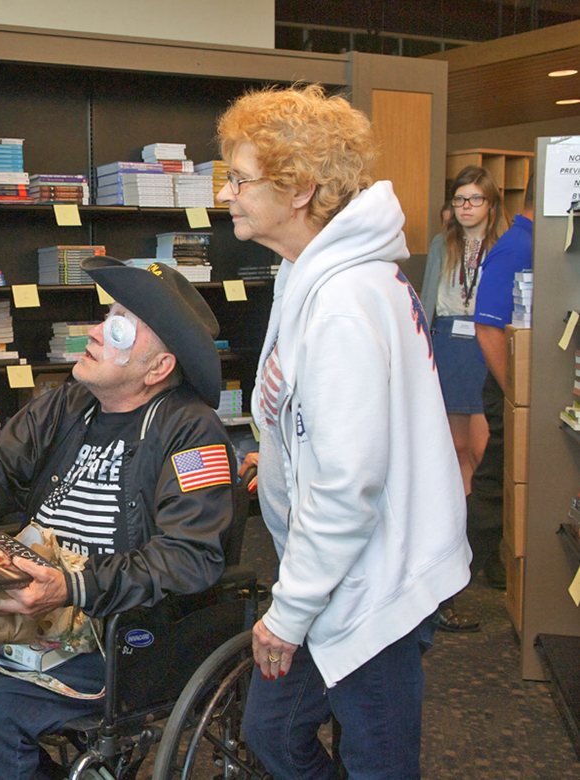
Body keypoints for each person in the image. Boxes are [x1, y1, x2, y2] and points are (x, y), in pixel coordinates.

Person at [0, 257, 236, 780]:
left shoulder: (193, 434)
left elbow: (188, 556)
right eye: (106, 316)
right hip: (44, 619)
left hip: (125, 634)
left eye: (119, 327)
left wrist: (73, 586)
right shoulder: (70, 403)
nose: (96, 331)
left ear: (159, 368)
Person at [215, 84, 470, 779]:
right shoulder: (311, 274)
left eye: (241, 179)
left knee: (375, 760)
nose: (227, 193)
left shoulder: (346, 299)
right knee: (273, 732)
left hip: (371, 583)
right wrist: (281, 457)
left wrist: (286, 615)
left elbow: (350, 482)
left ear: (298, 190)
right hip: (331, 571)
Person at [419, 167, 508, 632]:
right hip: (449, 345)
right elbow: (429, 299)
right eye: (460, 199)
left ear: (491, 203)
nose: (467, 207)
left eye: (476, 199)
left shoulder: (506, 243)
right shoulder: (442, 244)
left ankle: (489, 545)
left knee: (485, 450)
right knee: (454, 454)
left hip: (487, 343)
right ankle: (461, 551)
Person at [470, 174, 536, 592]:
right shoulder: (516, 247)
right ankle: (464, 572)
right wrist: (517, 394)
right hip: (509, 386)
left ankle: (490, 564)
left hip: (519, 386)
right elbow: (488, 328)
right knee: (495, 481)